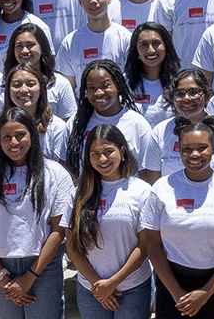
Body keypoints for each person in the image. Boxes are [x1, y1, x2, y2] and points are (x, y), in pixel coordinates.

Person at [0, 109, 72, 318]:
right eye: (6, 137)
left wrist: (29, 277)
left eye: (20, 135)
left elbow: (58, 231)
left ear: (32, 135)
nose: (14, 142)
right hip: (0, 267)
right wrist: (3, 278)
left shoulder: (55, 174)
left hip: (43, 267)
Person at [141, 117, 214, 319]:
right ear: (179, 151)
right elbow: (152, 245)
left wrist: (206, 293)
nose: (194, 155)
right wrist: (176, 292)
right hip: (172, 283)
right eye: (187, 149)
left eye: (202, 148)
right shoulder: (162, 188)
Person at [65, 124, 159, 319]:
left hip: (133, 288)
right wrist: (98, 285)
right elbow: (73, 247)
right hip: (91, 289)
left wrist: (113, 283)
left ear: (122, 152)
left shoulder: (141, 191)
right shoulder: (78, 194)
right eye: (95, 154)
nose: (102, 159)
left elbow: (145, 245)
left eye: (108, 152)